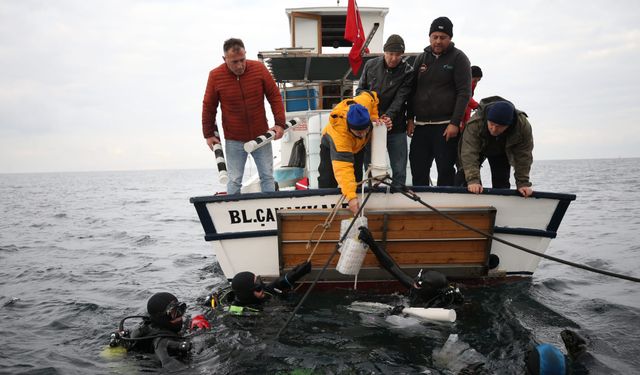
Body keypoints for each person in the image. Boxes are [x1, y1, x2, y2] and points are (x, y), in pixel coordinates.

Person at [201, 38, 286, 195]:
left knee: (267, 177)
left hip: (261, 136)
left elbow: (274, 96)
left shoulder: (259, 69)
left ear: (245, 54)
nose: (240, 65)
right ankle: (231, 213)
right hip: (234, 139)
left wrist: (280, 123)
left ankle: (272, 214)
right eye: (234, 62)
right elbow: (208, 106)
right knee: (234, 180)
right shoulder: (215, 76)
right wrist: (208, 134)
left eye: (242, 60)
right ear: (224, 59)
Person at [407, 16, 471, 186]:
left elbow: (464, 93)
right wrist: (409, 118)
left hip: (445, 126)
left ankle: (445, 205)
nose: (438, 41)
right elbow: (412, 90)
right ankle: (420, 209)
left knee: (445, 170)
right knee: (417, 168)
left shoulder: (459, 58)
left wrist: (455, 123)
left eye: (442, 37)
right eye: (434, 36)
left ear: (450, 38)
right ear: (429, 37)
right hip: (421, 126)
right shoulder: (421, 59)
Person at [357, 34, 414, 186]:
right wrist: (372, 115)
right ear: (384, 52)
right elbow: (360, 90)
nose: (394, 58)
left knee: (400, 168)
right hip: (370, 125)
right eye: (390, 54)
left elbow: (401, 98)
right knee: (370, 166)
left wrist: (388, 117)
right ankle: (371, 192)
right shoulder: (370, 65)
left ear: (402, 54)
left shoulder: (408, 71)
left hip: (396, 126)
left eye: (398, 55)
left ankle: (398, 195)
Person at [109, 292, 211, 370]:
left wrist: (195, 317)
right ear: (161, 317)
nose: (181, 316)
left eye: (181, 309)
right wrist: (201, 335)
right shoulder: (162, 342)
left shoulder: (151, 325)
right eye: (174, 313)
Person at [317, 91, 380, 215]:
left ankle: (355, 203)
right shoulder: (341, 135)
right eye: (359, 132)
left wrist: (374, 116)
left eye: (365, 130)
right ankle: (325, 211)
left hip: (357, 147)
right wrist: (351, 198)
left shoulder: (364, 103)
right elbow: (344, 169)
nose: (363, 135)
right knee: (327, 180)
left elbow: (373, 96)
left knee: (356, 178)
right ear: (350, 127)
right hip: (330, 146)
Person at [458, 97, 534, 197]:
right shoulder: (475, 123)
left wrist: (523, 183)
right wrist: (473, 180)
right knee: (463, 177)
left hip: (502, 149)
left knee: (502, 181)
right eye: (491, 124)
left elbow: (523, 156)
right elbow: (469, 152)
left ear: (508, 125)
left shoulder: (522, 126)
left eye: (499, 126)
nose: (493, 129)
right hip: (478, 147)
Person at [207, 261, 312, 314]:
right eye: (257, 286)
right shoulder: (242, 313)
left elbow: (276, 285)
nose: (261, 287)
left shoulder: (257, 293)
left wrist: (295, 274)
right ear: (248, 293)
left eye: (259, 282)